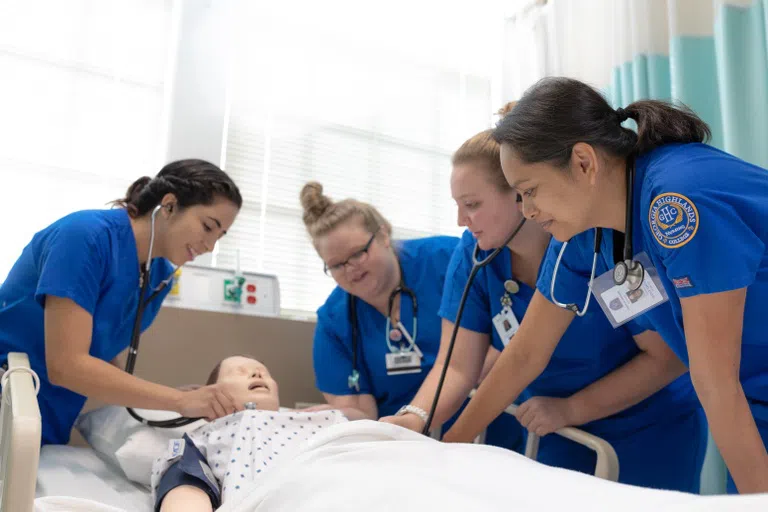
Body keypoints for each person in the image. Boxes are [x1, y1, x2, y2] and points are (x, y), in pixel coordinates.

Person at [442, 76, 768, 495]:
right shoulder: (583, 236)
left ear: (583, 162)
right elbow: (525, 353)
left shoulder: (676, 203)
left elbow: (714, 380)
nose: (528, 210)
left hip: (733, 390)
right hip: (753, 398)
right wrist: (449, 448)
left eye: (530, 191)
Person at [382, 110, 708, 492]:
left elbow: (666, 359)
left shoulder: (598, 244)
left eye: (472, 204)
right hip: (554, 429)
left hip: (647, 430)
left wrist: (572, 409)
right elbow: (459, 367)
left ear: (521, 192)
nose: (460, 220)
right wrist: (418, 420)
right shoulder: (478, 255)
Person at [0, 159, 244, 445]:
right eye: (207, 226)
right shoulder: (84, 237)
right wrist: (178, 400)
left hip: (46, 419)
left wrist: (171, 398)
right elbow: (66, 365)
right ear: (168, 206)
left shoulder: (158, 275)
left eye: (220, 236)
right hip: (11, 397)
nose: (210, 246)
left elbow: (98, 349)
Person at [299, 182, 520, 449]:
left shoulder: (450, 260)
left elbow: (514, 333)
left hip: (493, 431)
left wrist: (457, 383)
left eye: (358, 254)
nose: (350, 269)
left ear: (383, 235)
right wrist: (329, 418)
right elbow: (360, 412)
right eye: (336, 265)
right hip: (405, 446)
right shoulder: (335, 322)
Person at [151, 355, 349, 512]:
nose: (257, 374)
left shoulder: (324, 419)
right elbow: (186, 488)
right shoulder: (204, 437)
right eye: (239, 372)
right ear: (209, 393)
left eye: (264, 373)